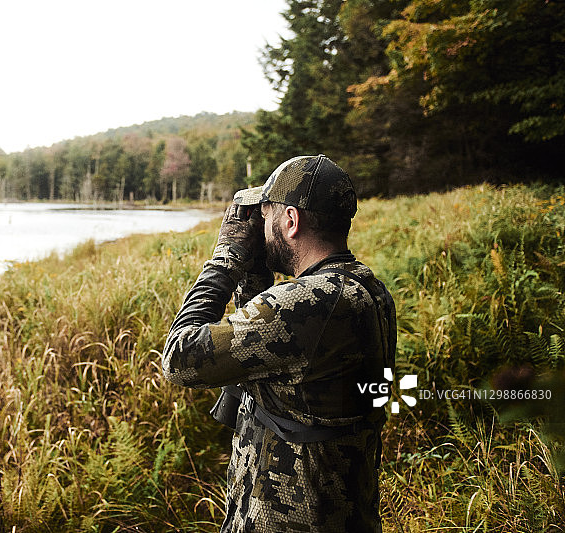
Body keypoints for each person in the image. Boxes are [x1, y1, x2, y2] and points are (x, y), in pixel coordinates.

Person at [161, 154, 396, 532]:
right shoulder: (366, 289)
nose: (260, 230)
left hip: (290, 517)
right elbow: (269, 356)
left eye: (266, 216)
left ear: (291, 221)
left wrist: (226, 260)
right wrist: (255, 272)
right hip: (340, 509)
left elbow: (180, 357)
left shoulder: (303, 302)